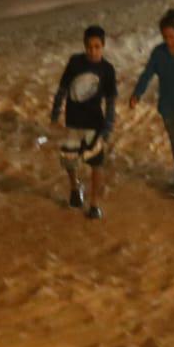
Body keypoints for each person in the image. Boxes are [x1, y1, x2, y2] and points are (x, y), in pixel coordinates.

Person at [129, 7, 174, 197]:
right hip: (167, 106)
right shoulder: (158, 53)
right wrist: (137, 94)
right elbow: (147, 74)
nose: (169, 41)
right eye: (165, 37)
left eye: (172, 36)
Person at [50, 25, 117, 220]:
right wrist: (55, 115)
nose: (93, 51)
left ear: (103, 46)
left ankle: (94, 203)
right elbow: (62, 89)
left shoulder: (107, 70)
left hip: (95, 123)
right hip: (73, 122)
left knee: (96, 164)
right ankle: (74, 188)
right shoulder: (74, 63)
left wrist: (108, 128)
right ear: (84, 46)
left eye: (97, 46)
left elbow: (111, 101)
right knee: (69, 161)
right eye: (89, 46)